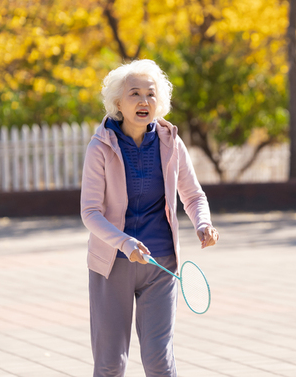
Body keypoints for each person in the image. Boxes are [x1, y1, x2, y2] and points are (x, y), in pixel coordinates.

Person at [81, 59, 219, 377]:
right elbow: (89, 212)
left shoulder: (171, 142)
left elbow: (194, 195)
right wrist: (125, 242)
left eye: (151, 94)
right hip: (112, 264)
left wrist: (203, 223)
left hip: (161, 264)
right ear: (118, 102)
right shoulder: (100, 147)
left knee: (159, 360)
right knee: (110, 363)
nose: (144, 101)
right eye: (135, 94)